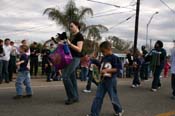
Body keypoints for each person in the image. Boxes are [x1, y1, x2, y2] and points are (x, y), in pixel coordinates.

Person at [87, 41, 123, 116]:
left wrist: (107, 70)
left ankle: (119, 110)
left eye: (103, 51)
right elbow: (101, 67)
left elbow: (118, 69)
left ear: (108, 48)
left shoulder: (114, 58)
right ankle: (94, 113)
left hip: (111, 81)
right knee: (98, 97)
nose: (102, 53)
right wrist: (97, 68)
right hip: (102, 80)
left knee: (113, 97)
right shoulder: (104, 58)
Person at [62, 21, 84, 105]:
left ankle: (72, 97)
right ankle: (76, 97)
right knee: (72, 79)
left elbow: (79, 49)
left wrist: (70, 43)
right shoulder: (74, 36)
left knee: (65, 76)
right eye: (70, 26)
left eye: (72, 26)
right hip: (71, 58)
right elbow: (70, 47)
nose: (70, 28)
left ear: (77, 26)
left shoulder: (79, 36)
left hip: (75, 58)